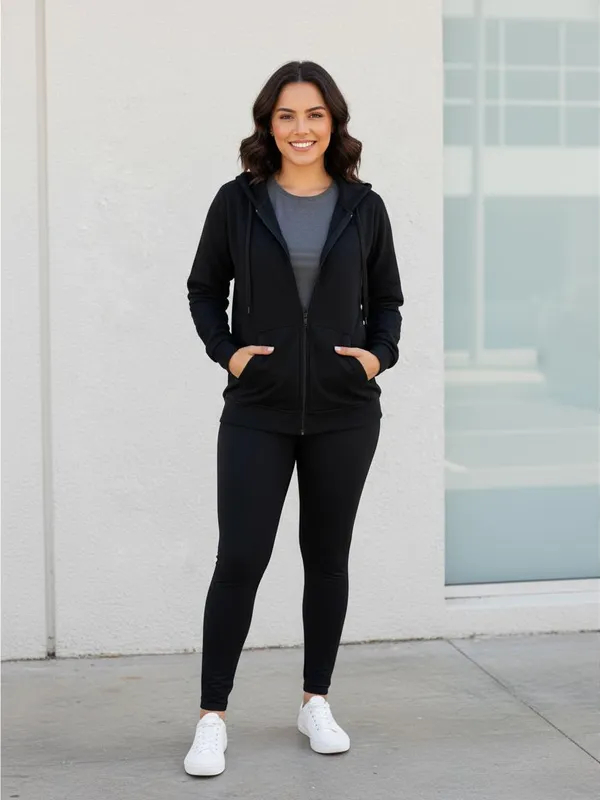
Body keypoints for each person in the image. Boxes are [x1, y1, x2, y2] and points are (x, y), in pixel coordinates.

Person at [183, 60, 404, 777]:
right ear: (268, 125)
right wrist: (229, 354)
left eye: (314, 114)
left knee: (327, 559)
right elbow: (204, 288)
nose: (301, 128)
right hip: (259, 410)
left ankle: (316, 701)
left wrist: (375, 359)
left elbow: (389, 301)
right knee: (241, 559)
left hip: (345, 412)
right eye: (286, 115)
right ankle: (212, 718)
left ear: (333, 123)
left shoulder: (363, 207)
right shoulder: (237, 202)